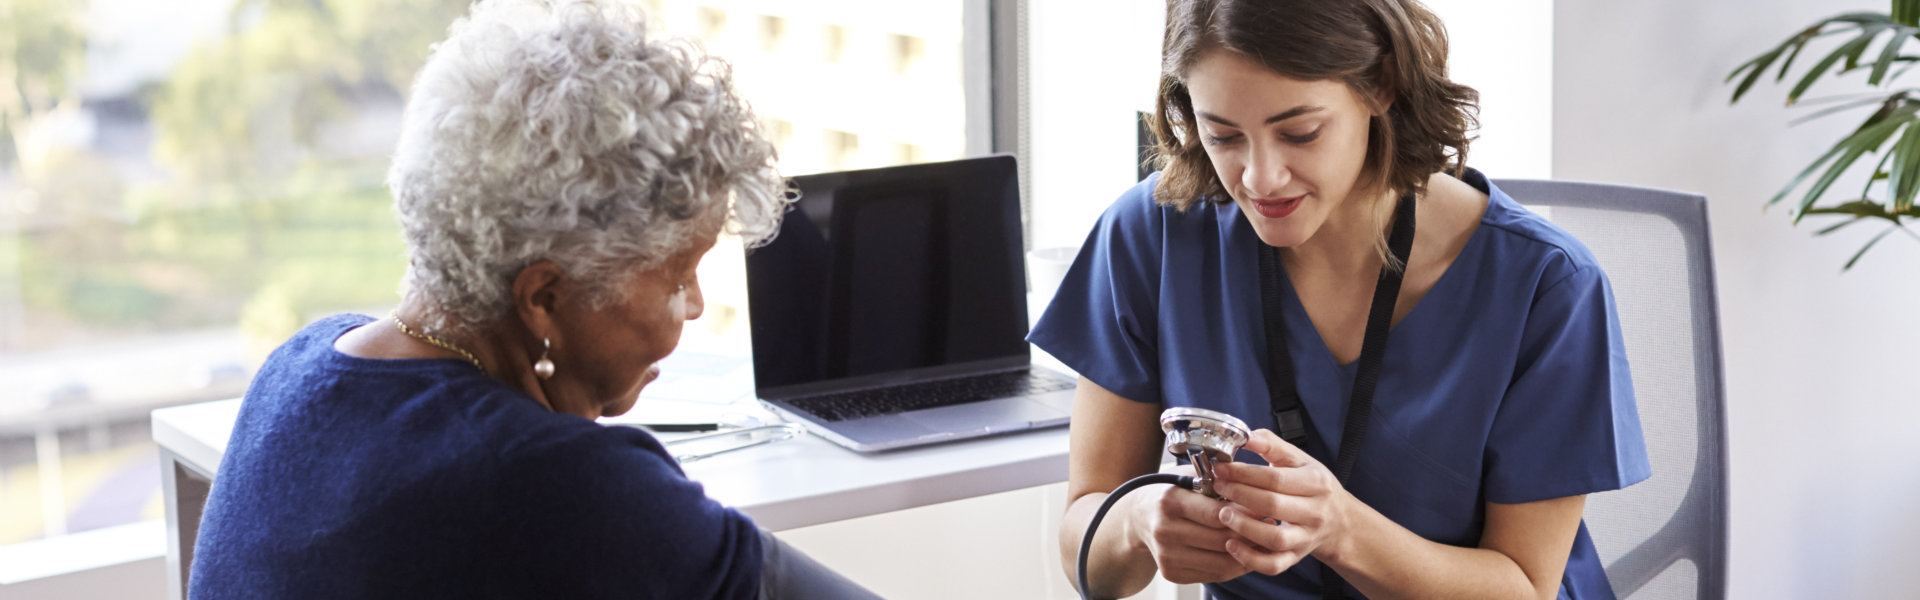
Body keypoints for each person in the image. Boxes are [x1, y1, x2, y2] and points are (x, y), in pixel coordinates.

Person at [188, 1, 878, 598]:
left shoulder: (299, 366)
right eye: (677, 277)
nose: (695, 306)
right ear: (544, 295)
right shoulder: (558, 483)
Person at [1028, 0, 1650, 599]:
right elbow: (1087, 555)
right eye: (1223, 136)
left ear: (1381, 84)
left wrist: (1341, 531)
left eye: (1299, 132)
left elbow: (1523, 589)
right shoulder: (1154, 236)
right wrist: (1137, 522)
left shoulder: (1546, 285)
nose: (1259, 178)